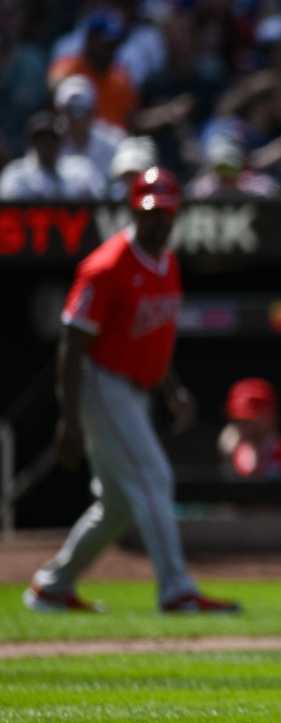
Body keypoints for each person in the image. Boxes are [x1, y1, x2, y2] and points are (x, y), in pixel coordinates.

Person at [24, 167, 240, 615]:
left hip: (137, 387)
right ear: (132, 210)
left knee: (118, 504)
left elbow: (152, 336)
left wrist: (172, 390)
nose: (157, 221)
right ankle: (176, 590)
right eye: (149, 212)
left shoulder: (167, 261)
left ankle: (52, 586)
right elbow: (73, 342)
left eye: (164, 212)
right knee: (154, 478)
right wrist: (68, 419)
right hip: (102, 383)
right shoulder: (106, 266)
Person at [218, 378, 281, 479]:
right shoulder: (235, 452)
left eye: (249, 419)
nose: (242, 426)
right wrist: (227, 460)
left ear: (269, 415)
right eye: (238, 420)